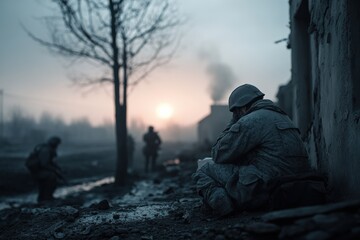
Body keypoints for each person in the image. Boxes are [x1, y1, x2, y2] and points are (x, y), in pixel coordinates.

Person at [193, 84, 316, 216]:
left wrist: (233, 122)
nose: (237, 115)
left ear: (242, 108)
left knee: (204, 169)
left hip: (267, 189)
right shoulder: (283, 117)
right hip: (296, 189)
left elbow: (218, 154)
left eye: (236, 112)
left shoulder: (250, 120)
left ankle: (223, 205)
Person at [26, 136, 66, 203]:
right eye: (57, 144)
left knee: (48, 181)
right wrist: (55, 170)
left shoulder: (47, 148)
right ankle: (46, 198)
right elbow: (44, 164)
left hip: (40, 170)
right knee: (51, 178)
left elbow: (50, 162)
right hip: (38, 171)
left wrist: (58, 169)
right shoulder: (46, 150)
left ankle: (45, 198)